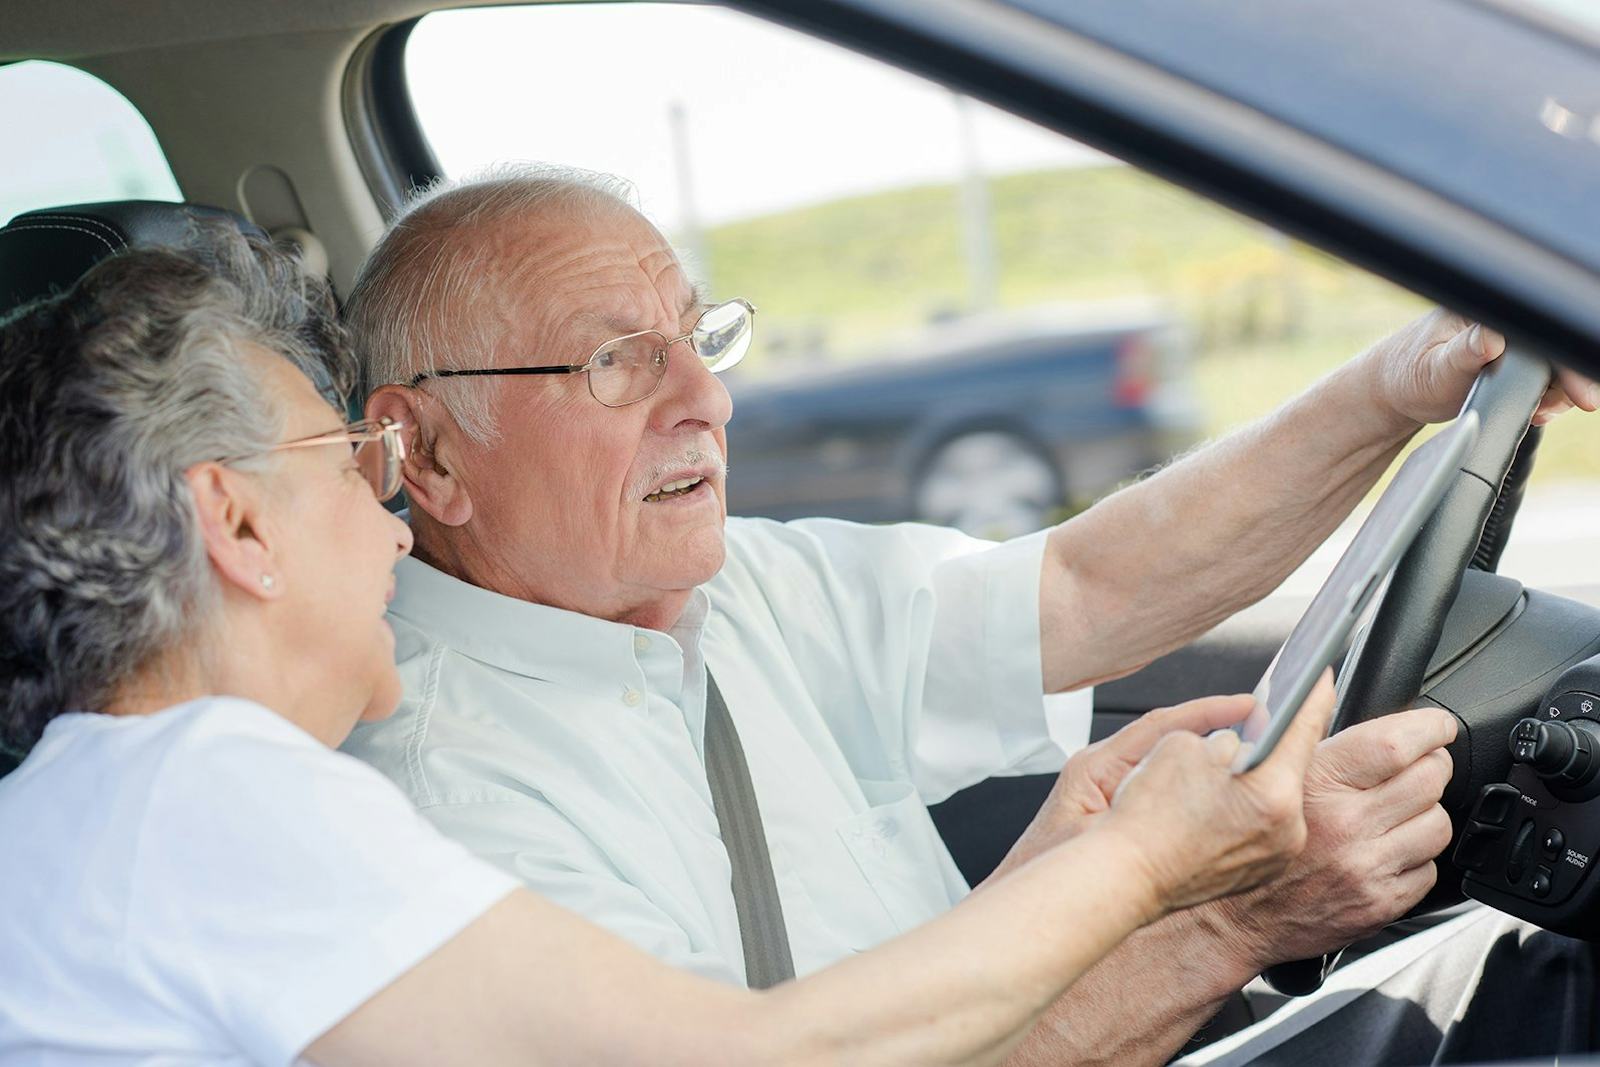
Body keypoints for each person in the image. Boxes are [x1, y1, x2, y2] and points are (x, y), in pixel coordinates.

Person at [339, 165, 1600, 1066]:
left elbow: (1088, 585)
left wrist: (1395, 385)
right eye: (615, 361)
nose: (704, 402)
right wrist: (1219, 915)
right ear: (428, 453)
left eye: (693, 336)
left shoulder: (735, 591)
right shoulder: (450, 809)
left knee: (1528, 973)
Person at [0, 226, 1332, 1066]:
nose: (390, 518)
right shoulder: (208, 800)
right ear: (236, 520)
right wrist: (1160, 875)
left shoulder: (105, 813)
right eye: (351, 460)